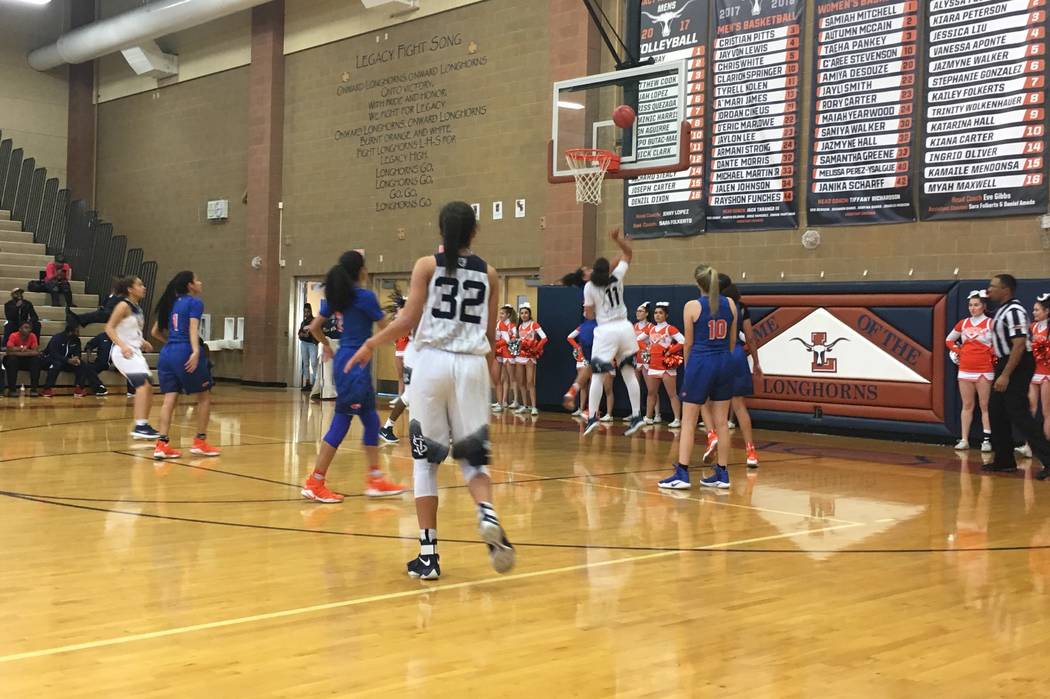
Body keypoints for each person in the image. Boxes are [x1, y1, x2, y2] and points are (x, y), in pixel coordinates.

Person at [347, 201, 515, 581]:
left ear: (440, 230)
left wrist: (372, 345)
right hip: (472, 365)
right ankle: (486, 514)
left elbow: (407, 319)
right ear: (474, 232)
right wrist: (487, 379)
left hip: (433, 363)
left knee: (427, 463)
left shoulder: (427, 265)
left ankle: (428, 556)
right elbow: (490, 335)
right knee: (474, 460)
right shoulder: (490, 274)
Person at [299, 251, 405, 503]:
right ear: (360, 271)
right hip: (355, 366)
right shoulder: (365, 297)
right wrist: (403, 320)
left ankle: (376, 478)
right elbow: (385, 331)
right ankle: (316, 481)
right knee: (342, 422)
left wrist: (325, 345)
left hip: (345, 361)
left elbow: (313, 327)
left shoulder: (336, 297)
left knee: (370, 421)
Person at [658, 264, 738, 490]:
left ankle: (682, 473)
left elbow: (689, 343)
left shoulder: (692, 306)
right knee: (722, 422)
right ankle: (722, 474)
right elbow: (732, 341)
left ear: (697, 283)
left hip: (701, 362)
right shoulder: (731, 304)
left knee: (689, 421)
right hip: (724, 360)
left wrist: (690, 367)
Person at [575, 228, 645, 437]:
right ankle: (636, 416)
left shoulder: (589, 287)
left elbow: (588, 315)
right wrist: (618, 240)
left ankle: (592, 416)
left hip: (606, 330)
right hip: (625, 327)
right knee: (628, 373)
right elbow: (628, 255)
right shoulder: (617, 276)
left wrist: (594, 310)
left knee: (598, 374)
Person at [983, 273, 1050, 479]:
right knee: (996, 410)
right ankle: (1004, 460)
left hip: (1017, 363)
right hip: (1005, 361)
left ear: (1006, 290)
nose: (989, 289)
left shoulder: (1015, 311)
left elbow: (1019, 345)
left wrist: (1005, 375)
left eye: (993, 286)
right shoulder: (1002, 310)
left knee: (1018, 413)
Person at [151, 271, 220, 460]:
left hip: (167, 354)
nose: (200, 282)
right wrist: (195, 351)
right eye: (197, 279)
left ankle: (161, 444)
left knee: (169, 399)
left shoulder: (169, 302)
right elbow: (192, 328)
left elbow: (154, 331)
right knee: (204, 397)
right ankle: (200, 442)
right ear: (190, 285)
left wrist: (170, 344)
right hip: (185, 351)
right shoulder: (194, 302)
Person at [106, 275, 160, 440]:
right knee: (143, 384)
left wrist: (143, 341)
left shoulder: (138, 308)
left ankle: (143, 423)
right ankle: (140, 426)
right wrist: (123, 346)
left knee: (149, 385)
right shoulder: (123, 305)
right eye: (140, 284)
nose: (144, 287)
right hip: (123, 352)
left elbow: (130, 331)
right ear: (130, 289)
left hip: (135, 350)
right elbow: (109, 328)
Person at [946, 289, 995, 452]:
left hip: (984, 369)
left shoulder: (990, 323)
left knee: (985, 405)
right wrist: (959, 351)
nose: (972, 308)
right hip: (966, 369)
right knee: (967, 405)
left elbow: (999, 345)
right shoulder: (963, 323)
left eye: (976, 305)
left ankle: (986, 440)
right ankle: (964, 439)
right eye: (970, 305)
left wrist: (991, 354)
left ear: (983, 306)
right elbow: (949, 339)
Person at [722, 279, 761, 467]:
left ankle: (714, 441)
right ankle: (751, 451)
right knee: (739, 406)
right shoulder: (742, 307)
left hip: (718, 353)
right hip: (737, 354)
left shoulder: (713, 306)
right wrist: (757, 362)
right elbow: (751, 338)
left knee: (713, 405)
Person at [644, 301, 683, 428]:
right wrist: (647, 349)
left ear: (666, 315)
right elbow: (638, 340)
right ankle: (649, 417)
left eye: (660, 313)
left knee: (672, 394)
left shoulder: (670, 328)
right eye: (655, 313)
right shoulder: (651, 329)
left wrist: (670, 351)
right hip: (653, 365)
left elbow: (683, 341)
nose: (657, 315)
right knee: (651, 393)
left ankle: (677, 419)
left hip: (666, 366)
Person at [40, 324, 106, 397]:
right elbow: (53, 353)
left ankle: (79, 388)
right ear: (70, 332)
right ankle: (46, 389)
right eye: (77, 331)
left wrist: (76, 358)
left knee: (82, 364)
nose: (79, 334)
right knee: (57, 364)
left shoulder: (76, 340)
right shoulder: (57, 338)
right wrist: (67, 360)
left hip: (66, 362)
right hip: (51, 359)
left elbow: (77, 353)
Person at [514, 302, 547, 415]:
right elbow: (518, 340)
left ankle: (534, 407)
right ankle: (525, 405)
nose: (524, 315)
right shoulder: (519, 326)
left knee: (530, 382)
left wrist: (535, 348)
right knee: (521, 382)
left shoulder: (534, 324)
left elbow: (544, 338)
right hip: (519, 357)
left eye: (526, 313)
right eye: (522, 313)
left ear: (529, 314)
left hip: (529, 357)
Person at [4, 321, 42, 397]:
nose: (28, 330)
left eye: (29, 328)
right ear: (20, 329)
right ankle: (12, 390)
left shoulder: (33, 336)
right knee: (12, 360)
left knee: (36, 360)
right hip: (15, 360)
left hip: (26, 360)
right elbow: (9, 351)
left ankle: (34, 389)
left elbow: (36, 352)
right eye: (26, 327)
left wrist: (20, 350)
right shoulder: (13, 335)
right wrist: (22, 349)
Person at [492, 304, 519, 412]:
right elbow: (497, 338)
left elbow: (513, 338)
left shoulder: (511, 325)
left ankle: (516, 400)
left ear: (508, 315)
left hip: (508, 353)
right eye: (500, 313)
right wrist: (497, 345)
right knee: (503, 378)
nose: (500, 315)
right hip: (500, 353)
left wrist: (500, 344)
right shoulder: (499, 324)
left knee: (512, 377)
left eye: (502, 313)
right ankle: (503, 401)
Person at [1031, 293, 1050, 441]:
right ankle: (1028, 445)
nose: (1034, 313)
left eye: (1037, 310)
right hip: (1033, 373)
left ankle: (1046, 447)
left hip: (1047, 374)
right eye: (1034, 310)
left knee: (1046, 411)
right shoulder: (1032, 327)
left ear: (1046, 311)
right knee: (1030, 408)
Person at [634, 302, 655, 417]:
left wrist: (646, 350)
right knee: (635, 388)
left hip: (648, 360)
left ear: (646, 313)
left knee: (651, 390)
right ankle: (636, 414)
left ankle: (656, 414)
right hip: (637, 359)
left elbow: (654, 343)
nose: (638, 313)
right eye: (637, 311)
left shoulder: (651, 327)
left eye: (641, 311)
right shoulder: (635, 326)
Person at [297, 303, 318, 392]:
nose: (306, 314)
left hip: (312, 344)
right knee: (305, 363)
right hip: (304, 344)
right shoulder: (303, 322)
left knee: (313, 363)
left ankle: (316, 383)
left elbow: (316, 332)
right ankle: (307, 383)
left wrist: (308, 334)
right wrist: (303, 335)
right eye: (305, 312)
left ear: (311, 311)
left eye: (308, 312)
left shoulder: (314, 321)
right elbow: (300, 333)